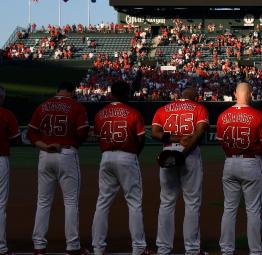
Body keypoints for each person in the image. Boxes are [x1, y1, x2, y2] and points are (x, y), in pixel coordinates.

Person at [28, 82, 90, 255]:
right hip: (67, 153)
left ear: (57, 91)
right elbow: (83, 132)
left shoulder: (43, 106)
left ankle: (39, 245)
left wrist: (45, 146)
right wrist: (75, 140)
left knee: (43, 202)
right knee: (70, 202)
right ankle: (72, 246)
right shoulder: (76, 106)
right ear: (70, 91)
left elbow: (31, 134)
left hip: (45, 154)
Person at [92, 81, 151, 255]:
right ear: (127, 94)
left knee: (102, 202)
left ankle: (98, 247)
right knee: (134, 203)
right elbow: (141, 140)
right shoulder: (133, 112)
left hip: (106, 157)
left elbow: (97, 137)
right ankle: (138, 247)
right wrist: (133, 155)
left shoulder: (101, 113)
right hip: (127, 156)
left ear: (111, 94)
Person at [151, 87, 208, 255]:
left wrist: (173, 138)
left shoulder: (163, 109)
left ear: (180, 96)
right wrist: (184, 153)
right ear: (195, 97)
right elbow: (200, 131)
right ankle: (192, 249)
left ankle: (163, 249)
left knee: (166, 202)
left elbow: (155, 133)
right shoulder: (199, 108)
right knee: (192, 203)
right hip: (188, 153)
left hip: (168, 152)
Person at [215, 83, 262, 255]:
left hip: (230, 162)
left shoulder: (223, 115)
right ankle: (255, 251)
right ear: (251, 94)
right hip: (251, 162)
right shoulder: (258, 115)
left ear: (234, 94)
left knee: (229, 209)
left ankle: (226, 249)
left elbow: (221, 143)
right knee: (253, 210)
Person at [0, 86, 20, 255]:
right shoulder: (7, 114)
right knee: (0, 204)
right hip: (1, 159)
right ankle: (0, 247)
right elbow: (16, 139)